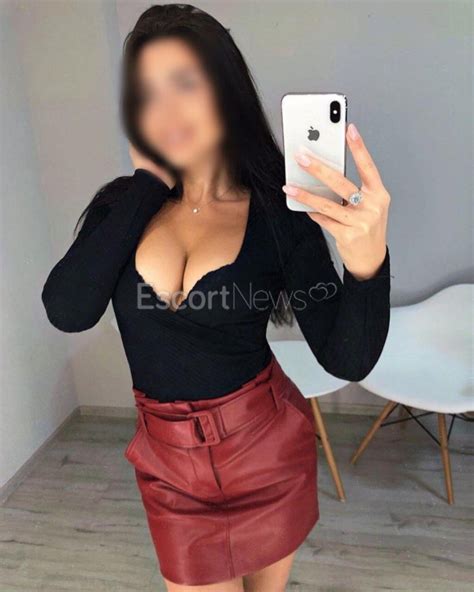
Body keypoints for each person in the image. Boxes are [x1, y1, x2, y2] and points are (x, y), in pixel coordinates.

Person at [41, 4, 391, 591]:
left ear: (226, 92)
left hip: (265, 450)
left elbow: (346, 358)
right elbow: (67, 310)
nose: (166, 109)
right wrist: (148, 185)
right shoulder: (123, 206)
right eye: (147, 93)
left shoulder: (281, 215)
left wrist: (367, 264)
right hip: (169, 467)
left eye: (185, 83)